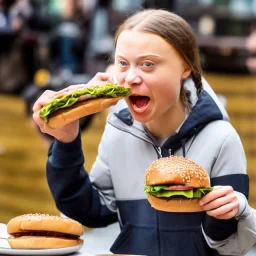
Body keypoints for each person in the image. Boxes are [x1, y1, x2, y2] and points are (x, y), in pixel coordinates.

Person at [33, 9, 251, 256]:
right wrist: (66, 140)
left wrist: (236, 211)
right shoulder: (118, 130)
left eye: (148, 64)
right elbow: (92, 211)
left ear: (185, 67)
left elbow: (232, 245)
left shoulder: (221, 139)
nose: (131, 78)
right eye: (123, 64)